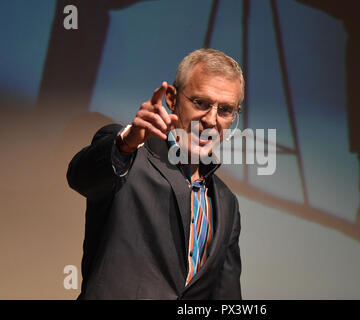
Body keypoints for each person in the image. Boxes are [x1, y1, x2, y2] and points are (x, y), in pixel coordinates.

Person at [67, 48, 243, 299]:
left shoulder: (227, 203)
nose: (211, 120)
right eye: (201, 103)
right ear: (172, 98)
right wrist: (125, 144)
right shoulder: (130, 153)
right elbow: (80, 177)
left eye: (225, 110)